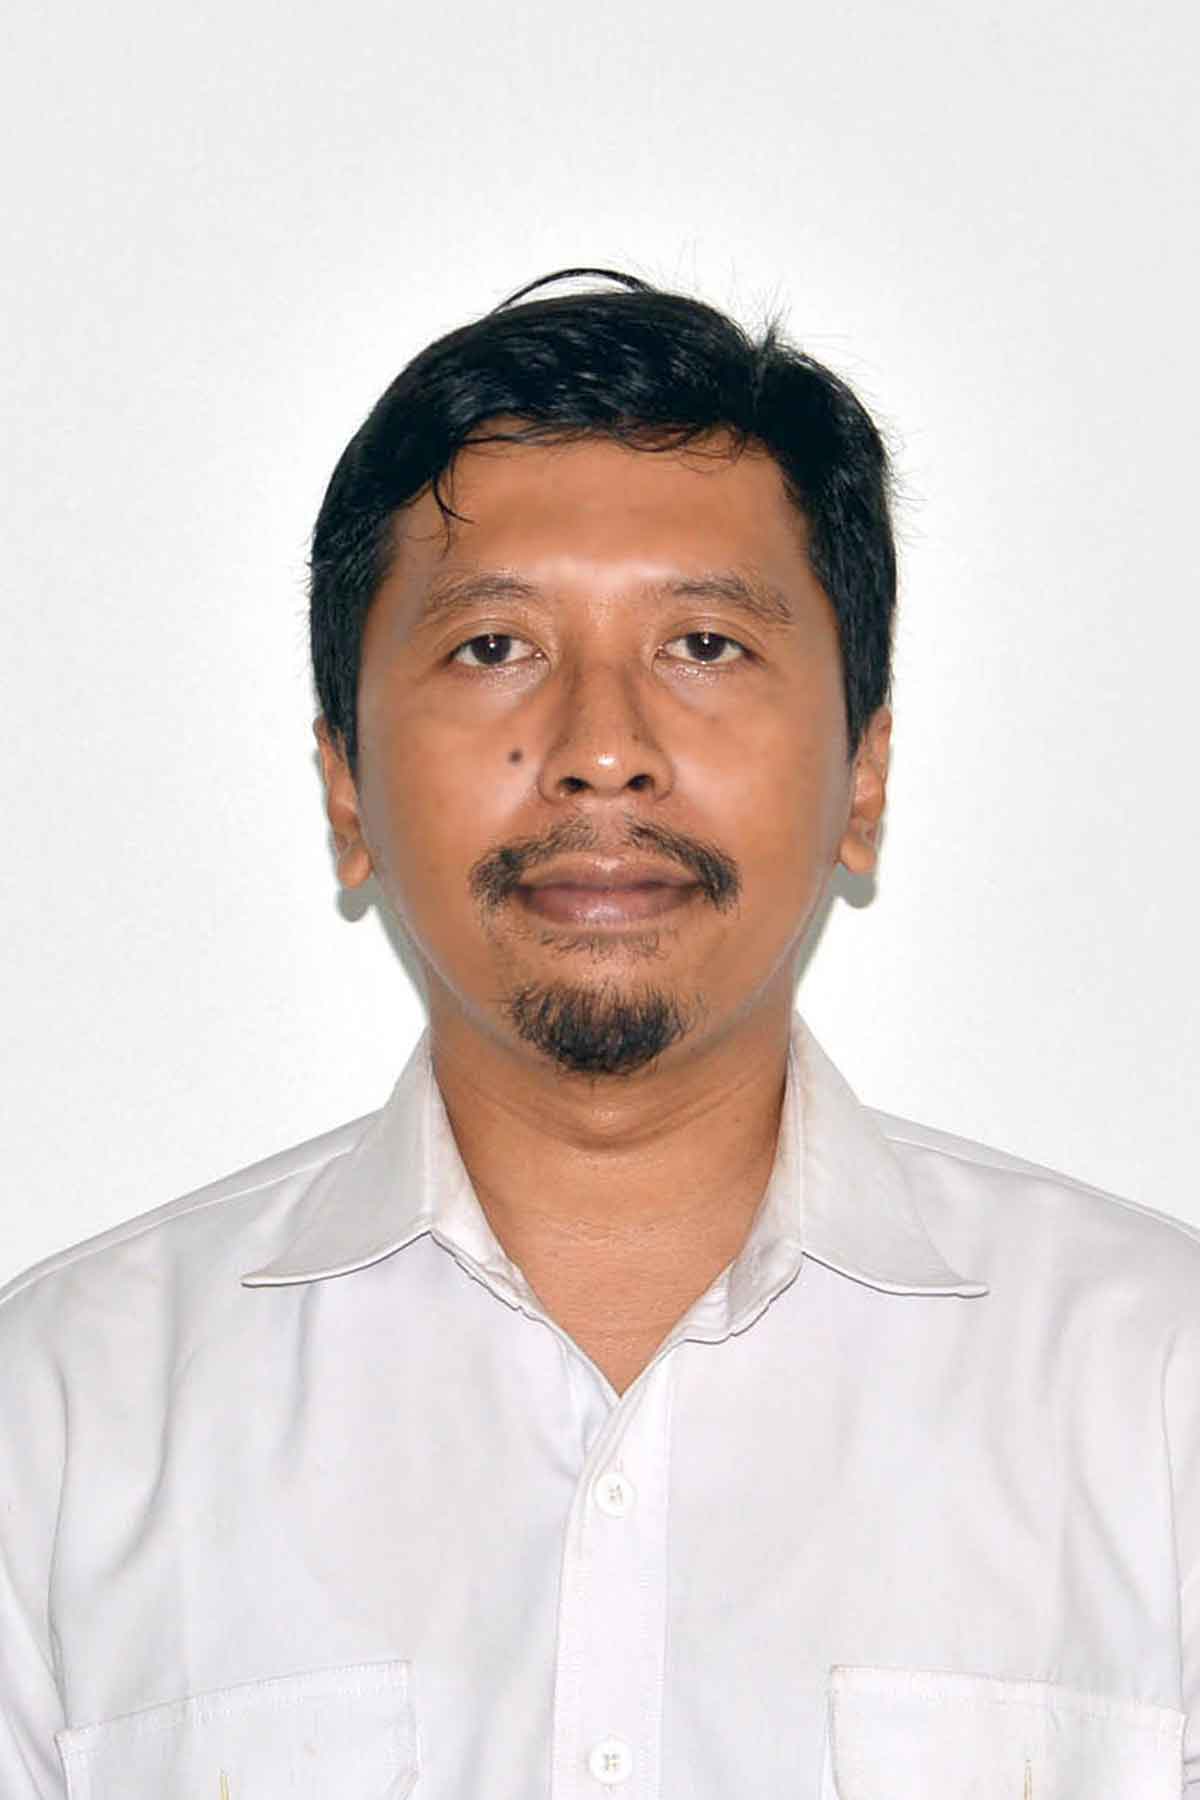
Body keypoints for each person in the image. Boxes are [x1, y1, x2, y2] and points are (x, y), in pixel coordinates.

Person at [1, 268, 1195, 1800]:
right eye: (495, 647)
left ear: (865, 774)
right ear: (347, 788)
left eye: (704, 644)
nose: (603, 751)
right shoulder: (68, 1417)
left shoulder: (1155, 1389)